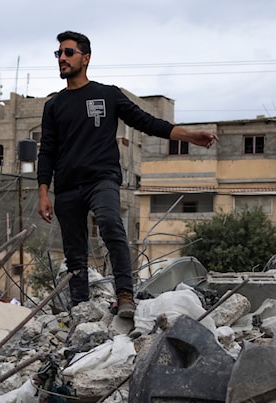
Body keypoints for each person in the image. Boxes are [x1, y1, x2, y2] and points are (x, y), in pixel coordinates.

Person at [37, 30, 218, 318]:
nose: (61, 58)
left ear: (86, 58)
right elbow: (46, 150)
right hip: (68, 187)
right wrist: (43, 192)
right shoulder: (54, 106)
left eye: (68, 52)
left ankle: (124, 295)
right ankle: (81, 309)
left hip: (102, 179)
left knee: (111, 224)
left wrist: (189, 136)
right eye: (58, 53)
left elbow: (147, 122)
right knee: (74, 252)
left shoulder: (107, 94)